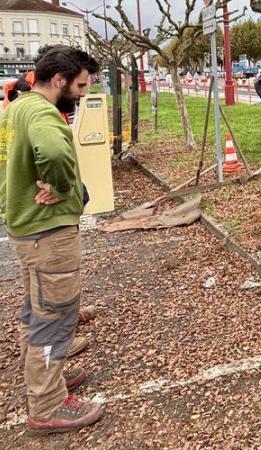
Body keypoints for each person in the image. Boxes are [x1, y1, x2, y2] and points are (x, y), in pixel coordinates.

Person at [0, 45, 103, 435]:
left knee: (36, 309)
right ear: (58, 79)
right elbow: (56, 152)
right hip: (49, 233)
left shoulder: (18, 108)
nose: (81, 94)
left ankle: (46, 379)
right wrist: (63, 187)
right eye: (79, 85)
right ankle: (46, 404)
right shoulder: (43, 113)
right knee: (55, 314)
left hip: (26, 227)